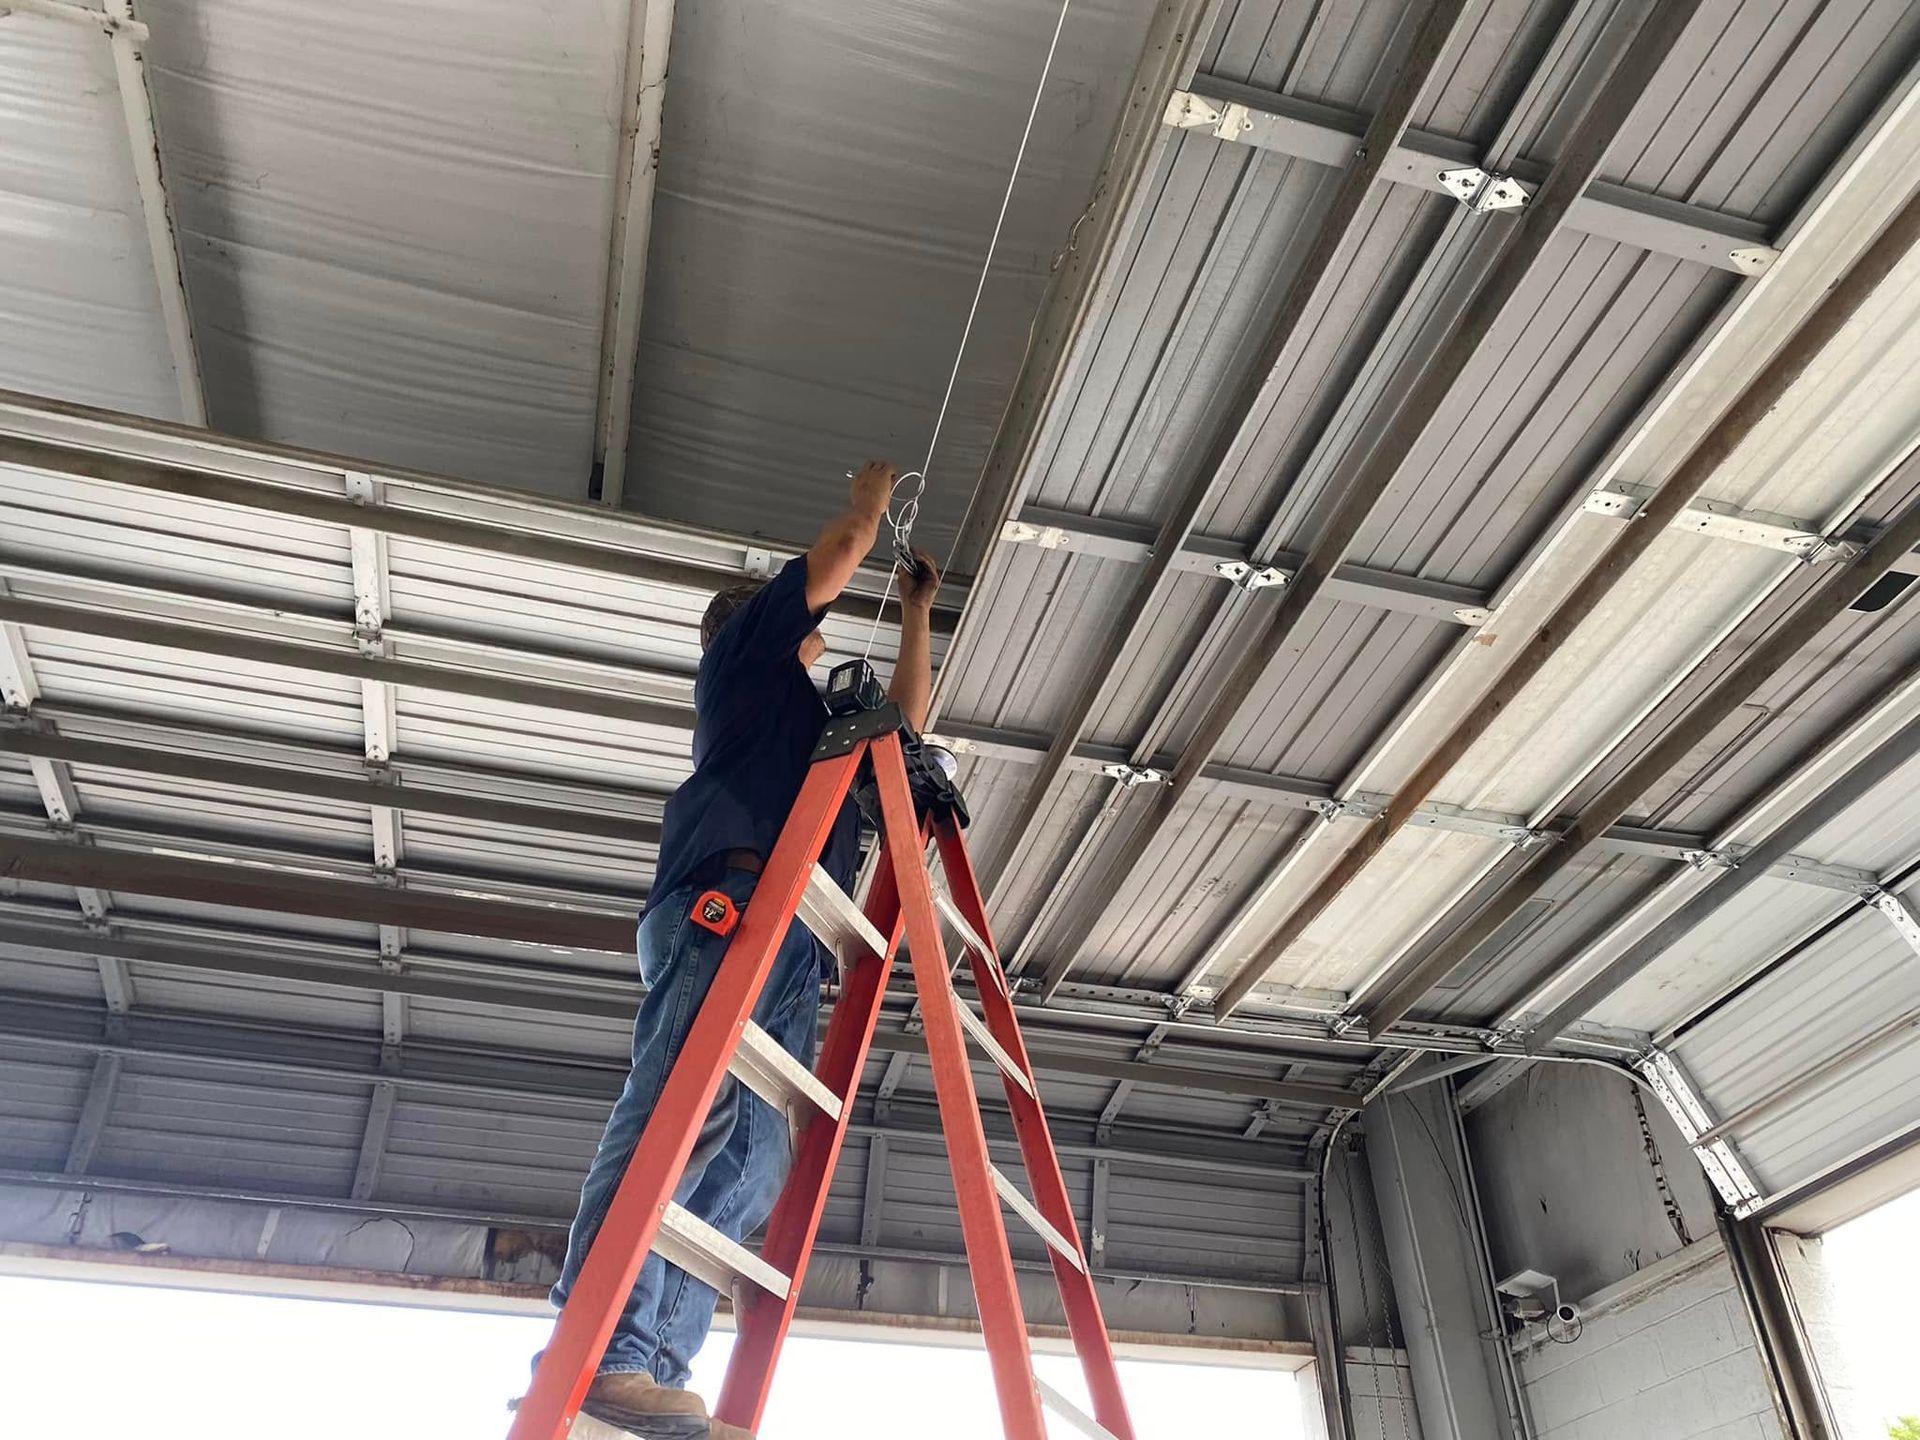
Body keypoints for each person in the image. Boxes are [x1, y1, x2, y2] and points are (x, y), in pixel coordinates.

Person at [543, 460, 940, 1438]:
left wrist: (918, 609)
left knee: (756, 1159)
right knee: (682, 1110)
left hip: (793, 938)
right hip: (724, 899)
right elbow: (842, 554)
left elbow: (909, 723)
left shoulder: (814, 728)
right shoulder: (739, 666)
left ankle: (654, 1368)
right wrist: (867, 504)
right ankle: (598, 1353)